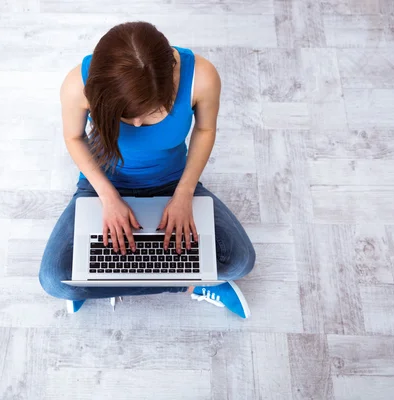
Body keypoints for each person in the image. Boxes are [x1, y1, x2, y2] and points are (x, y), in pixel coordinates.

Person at [39, 21, 256, 318]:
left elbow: (205, 130)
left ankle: (104, 283)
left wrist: (184, 193)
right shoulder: (78, 84)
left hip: (173, 183)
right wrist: (108, 197)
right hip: (103, 185)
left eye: (151, 112)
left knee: (241, 261)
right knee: (55, 281)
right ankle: (188, 285)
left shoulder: (201, 77)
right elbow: (73, 137)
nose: (138, 125)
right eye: (127, 117)